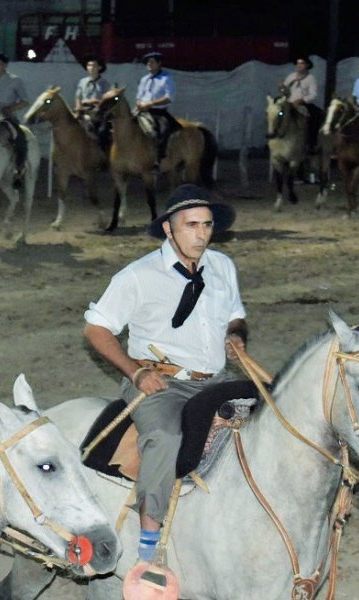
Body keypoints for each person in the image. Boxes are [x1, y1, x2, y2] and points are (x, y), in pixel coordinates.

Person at [83, 184, 247, 564]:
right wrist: (136, 374)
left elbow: (235, 312)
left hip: (217, 379)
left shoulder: (222, 266)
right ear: (169, 229)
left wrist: (236, 333)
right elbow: (96, 328)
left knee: (270, 416)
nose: (201, 234)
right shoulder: (138, 276)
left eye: (207, 225)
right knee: (163, 436)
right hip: (162, 382)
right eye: (191, 225)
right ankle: (149, 542)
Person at [0, 52, 30, 185]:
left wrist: (10, 108)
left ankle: (19, 169)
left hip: (7, 117)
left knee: (19, 138)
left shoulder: (15, 80)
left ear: (5, 65)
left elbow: (25, 101)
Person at [135, 52, 182, 172]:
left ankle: (157, 160)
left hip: (158, 112)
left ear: (159, 63)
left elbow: (169, 97)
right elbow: (139, 96)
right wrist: (139, 103)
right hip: (142, 111)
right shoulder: (144, 79)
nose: (149, 64)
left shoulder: (167, 78)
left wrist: (151, 103)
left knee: (163, 130)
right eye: (147, 62)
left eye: (152, 62)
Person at [281, 56, 324, 156]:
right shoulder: (291, 76)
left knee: (316, 115)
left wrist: (301, 100)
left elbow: (313, 94)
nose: (299, 65)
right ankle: (276, 135)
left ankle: (311, 143)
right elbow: (285, 89)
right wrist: (282, 88)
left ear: (307, 65)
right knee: (278, 113)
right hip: (290, 103)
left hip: (303, 103)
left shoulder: (311, 78)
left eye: (302, 63)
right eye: (297, 63)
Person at [74, 55, 111, 150]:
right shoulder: (82, 81)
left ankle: (102, 152)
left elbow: (107, 99)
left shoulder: (104, 83)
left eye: (94, 65)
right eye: (89, 65)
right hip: (83, 110)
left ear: (99, 67)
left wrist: (95, 101)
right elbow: (78, 96)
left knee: (102, 132)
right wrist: (79, 107)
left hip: (97, 111)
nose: (91, 68)